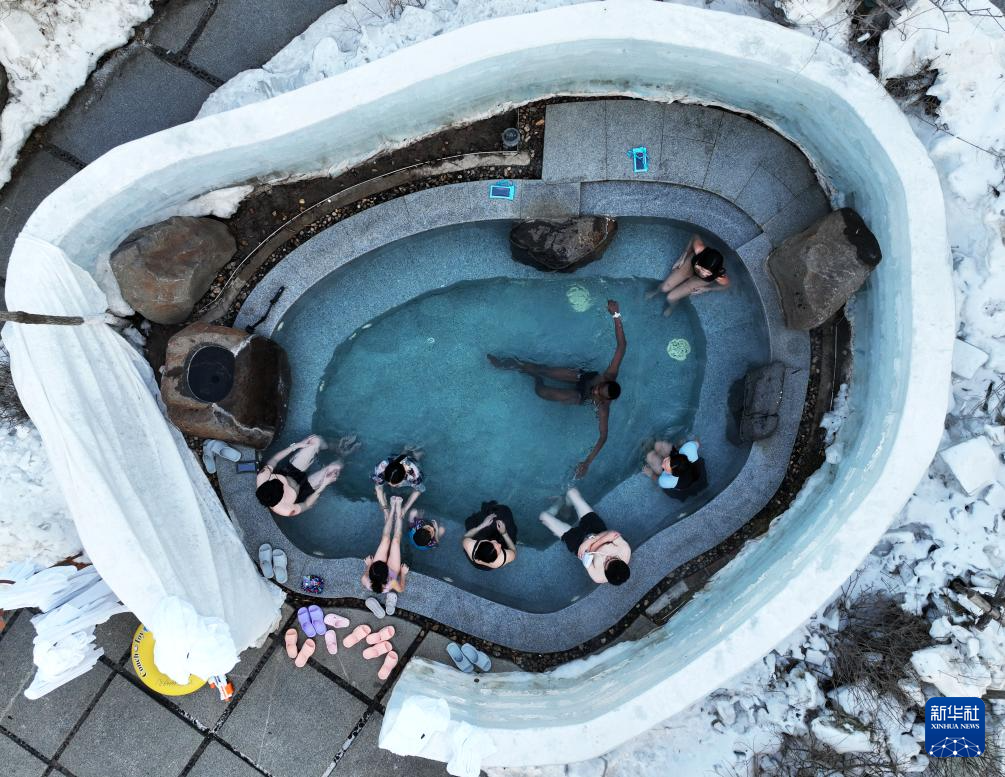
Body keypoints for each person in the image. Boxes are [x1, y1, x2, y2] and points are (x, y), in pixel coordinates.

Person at [488, 299, 626, 478]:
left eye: (598, 394)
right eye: (598, 387)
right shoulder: (610, 374)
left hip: (579, 395)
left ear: (604, 400)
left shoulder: (603, 409)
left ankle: (535, 378)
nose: (595, 391)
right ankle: (505, 364)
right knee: (543, 369)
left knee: (541, 392)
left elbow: (603, 436)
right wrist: (616, 314)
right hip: (582, 377)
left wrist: (587, 462)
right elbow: (622, 347)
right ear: (605, 381)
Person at [539, 487, 631, 585]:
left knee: (543, 516)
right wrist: (591, 541)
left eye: (606, 562)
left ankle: (559, 502)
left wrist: (589, 544)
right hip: (595, 529)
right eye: (613, 557)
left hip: (577, 542)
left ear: (605, 571)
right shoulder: (625, 551)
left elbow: (584, 556)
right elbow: (613, 533)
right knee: (571, 491)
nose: (608, 557)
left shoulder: (598, 577)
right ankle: (567, 506)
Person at [255, 434, 357, 517]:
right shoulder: (286, 510)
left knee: (314, 440)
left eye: (276, 480)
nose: (283, 483)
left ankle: (336, 447)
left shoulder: (263, 477)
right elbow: (307, 504)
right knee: (336, 467)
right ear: (281, 496)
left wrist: (295, 446)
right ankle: (343, 457)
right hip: (303, 489)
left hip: (290, 472)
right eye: (282, 485)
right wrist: (324, 484)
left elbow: (274, 460)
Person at [654, 234, 730, 314]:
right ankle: (656, 291)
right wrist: (683, 256)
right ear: (700, 260)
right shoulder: (699, 249)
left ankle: (672, 306)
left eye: (708, 272)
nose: (703, 273)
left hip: (701, 281)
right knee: (664, 288)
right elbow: (695, 236)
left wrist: (708, 289)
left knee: (670, 297)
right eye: (702, 268)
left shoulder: (719, 276)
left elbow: (727, 285)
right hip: (690, 266)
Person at [362, 496, 410, 594]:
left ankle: (392, 510)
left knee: (385, 539)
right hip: (392, 571)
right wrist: (403, 573)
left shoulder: (365, 580)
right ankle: (398, 511)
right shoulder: (391, 582)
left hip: (379, 570)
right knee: (396, 540)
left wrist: (369, 565)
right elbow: (401, 589)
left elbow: (367, 574)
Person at [643, 439, 707, 500]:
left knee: (650, 456)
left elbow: (659, 480)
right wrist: (688, 443)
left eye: (665, 468)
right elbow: (697, 442)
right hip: (692, 472)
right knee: (658, 445)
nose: (662, 465)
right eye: (666, 460)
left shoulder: (669, 481)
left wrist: (651, 474)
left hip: (683, 488)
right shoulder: (688, 449)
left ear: (671, 474)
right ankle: (676, 447)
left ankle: (651, 452)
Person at [462, 501, 518, 570]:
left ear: (480, 543)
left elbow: (466, 536)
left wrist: (483, 525)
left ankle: (487, 511)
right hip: (489, 564)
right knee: (505, 511)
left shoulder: (469, 545)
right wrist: (504, 533)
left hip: (477, 560)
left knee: (473, 523)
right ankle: (492, 509)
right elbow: (513, 551)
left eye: (491, 542)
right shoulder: (501, 559)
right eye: (499, 549)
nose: (499, 544)